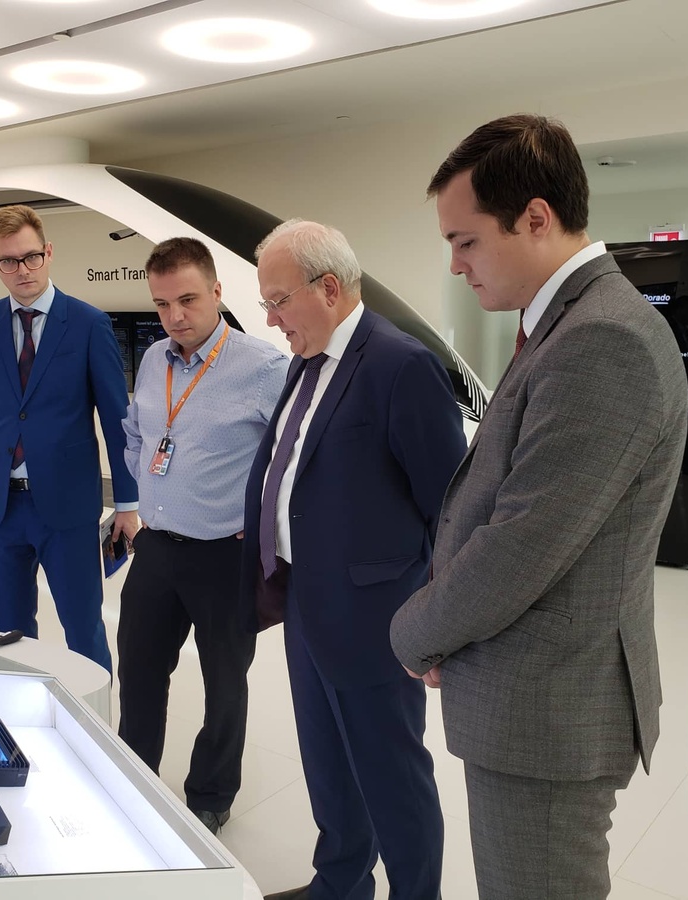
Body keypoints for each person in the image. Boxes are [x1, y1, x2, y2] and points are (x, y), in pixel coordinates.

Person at [389, 114, 688, 899]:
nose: (455, 264)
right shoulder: (568, 325)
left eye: (465, 240)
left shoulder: (603, 340)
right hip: (532, 695)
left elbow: (521, 546)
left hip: (548, 710)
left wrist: (415, 631)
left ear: (535, 218)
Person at [241, 220, 466, 900]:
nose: (271, 318)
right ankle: (339, 885)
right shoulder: (306, 361)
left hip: (377, 619)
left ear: (330, 288)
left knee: (391, 775)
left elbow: (450, 512)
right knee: (328, 765)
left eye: (279, 301)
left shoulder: (401, 365)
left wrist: (439, 628)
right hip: (307, 603)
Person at [118, 237, 286, 835]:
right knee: (139, 674)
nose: (175, 316)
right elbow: (136, 433)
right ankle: (133, 777)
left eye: (187, 299)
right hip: (156, 548)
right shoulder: (153, 360)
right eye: (162, 304)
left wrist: (262, 525)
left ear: (217, 292)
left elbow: (295, 457)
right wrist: (144, 487)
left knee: (224, 685)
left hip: (225, 557)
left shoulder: (264, 367)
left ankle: (211, 794)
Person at [0, 204, 138, 673]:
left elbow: (117, 420)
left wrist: (127, 503)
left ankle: (94, 715)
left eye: (31, 257)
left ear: (49, 252)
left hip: (67, 509)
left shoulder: (89, 323)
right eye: (9, 261)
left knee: (84, 629)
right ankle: (27, 713)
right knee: (10, 634)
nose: (23, 270)